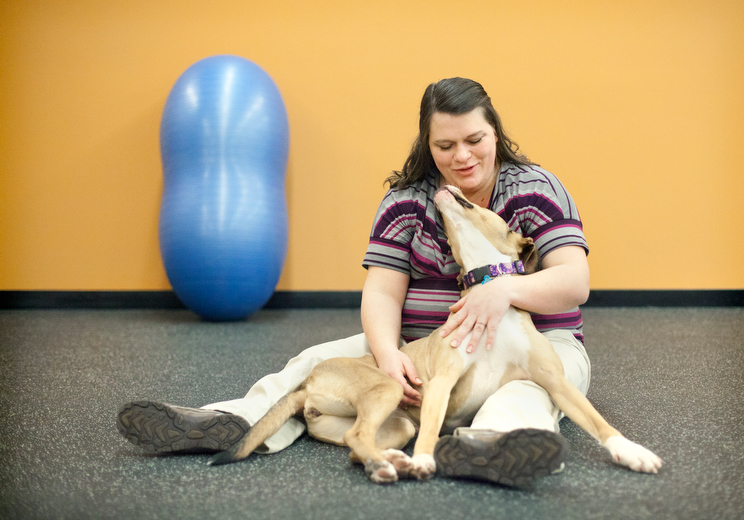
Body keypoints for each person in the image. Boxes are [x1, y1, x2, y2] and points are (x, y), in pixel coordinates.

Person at [117, 77, 591, 486]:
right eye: (445, 146)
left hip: (536, 345)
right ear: (427, 145)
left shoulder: (535, 188)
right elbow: (383, 292)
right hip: (422, 349)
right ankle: (235, 421)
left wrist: (502, 290)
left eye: (474, 140)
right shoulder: (406, 201)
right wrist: (387, 356)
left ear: (495, 133)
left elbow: (574, 281)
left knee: (526, 393)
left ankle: (491, 445)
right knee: (313, 362)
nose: (462, 156)